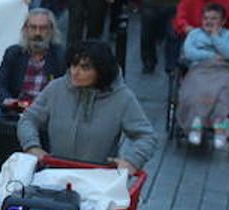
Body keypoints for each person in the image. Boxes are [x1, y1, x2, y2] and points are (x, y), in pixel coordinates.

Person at [19, 40, 157, 172]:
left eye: (85, 67)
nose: (75, 72)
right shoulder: (55, 88)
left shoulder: (123, 98)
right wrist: (32, 146)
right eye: (73, 65)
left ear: (101, 71)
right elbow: (28, 119)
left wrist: (132, 161)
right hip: (55, 176)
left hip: (98, 182)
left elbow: (147, 136)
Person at [0, 9, 65, 169]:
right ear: (25, 29)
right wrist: (6, 99)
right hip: (19, 109)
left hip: (48, 114)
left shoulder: (60, 55)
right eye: (33, 27)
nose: (37, 33)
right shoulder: (14, 53)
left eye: (43, 28)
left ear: (51, 30)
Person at [178, 4, 229, 149]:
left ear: (223, 21)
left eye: (214, 18)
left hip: (224, 70)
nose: (208, 21)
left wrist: (215, 36)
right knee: (197, 87)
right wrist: (211, 55)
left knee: (224, 91)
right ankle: (195, 122)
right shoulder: (194, 34)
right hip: (200, 69)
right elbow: (189, 53)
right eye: (206, 18)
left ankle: (221, 125)